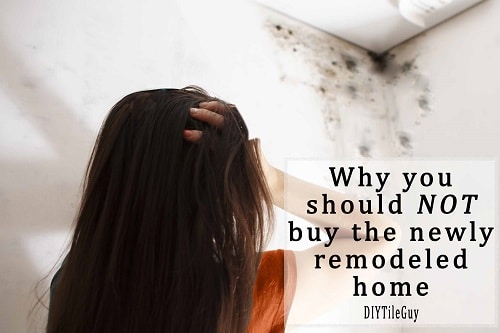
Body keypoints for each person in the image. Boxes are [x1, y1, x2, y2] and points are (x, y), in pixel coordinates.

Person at [47, 87, 399, 332]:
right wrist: (270, 181)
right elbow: (378, 234)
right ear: (213, 187)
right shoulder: (243, 293)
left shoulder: (74, 284)